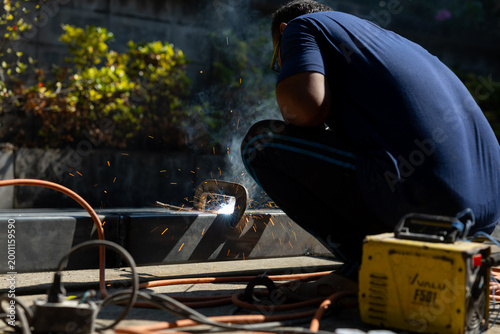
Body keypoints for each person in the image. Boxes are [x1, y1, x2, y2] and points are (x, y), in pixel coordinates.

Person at [240, 0, 500, 289]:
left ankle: (367, 266)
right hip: (485, 220)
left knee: (260, 144)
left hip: (432, 204)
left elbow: (305, 109)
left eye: (281, 60)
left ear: (283, 32)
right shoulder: (393, 44)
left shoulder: (301, 26)